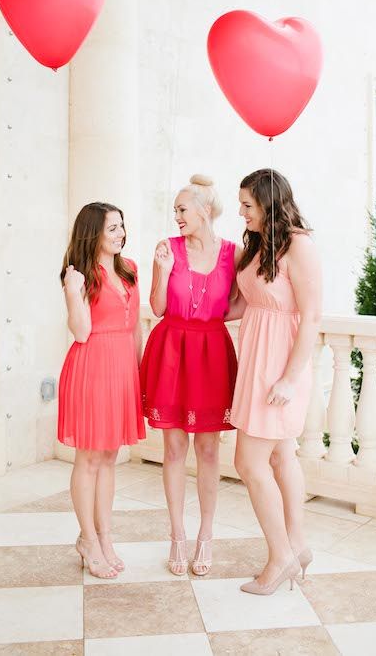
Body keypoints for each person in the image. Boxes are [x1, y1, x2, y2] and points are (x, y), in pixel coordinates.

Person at [140, 175, 239, 576]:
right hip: (171, 351)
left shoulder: (234, 253)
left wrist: (210, 318)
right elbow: (158, 306)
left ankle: (206, 535)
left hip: (211, 352)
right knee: (175, 450)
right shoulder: (167, 249)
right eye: (176, 210)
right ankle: (177, 535)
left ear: (204, 211)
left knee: (210, 451)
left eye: (182, 209)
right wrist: (162, 272)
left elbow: (238, 304)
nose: (177, 216)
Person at [229, 169, 322, 595]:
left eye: (248, 204)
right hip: (255, 357)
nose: (242, 211)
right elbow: (240, 304)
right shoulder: (257, 245)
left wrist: (289, 377)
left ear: (268, 203)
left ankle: (280, 555)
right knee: (282, 455)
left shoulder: (298, 245)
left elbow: (311, 318)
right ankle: (297, 545)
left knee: (249, 463)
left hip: (279, 363)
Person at [58, 202, 145, 579]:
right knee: (89, 459)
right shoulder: (79, 275)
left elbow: (136, 328)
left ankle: (105, 537)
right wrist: (73, 293)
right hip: (92, 368)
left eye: (122, 226)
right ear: (93, 231)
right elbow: (80, 332)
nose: (120, 234)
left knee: (109, 457)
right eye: (112, 228)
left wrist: (140, 375)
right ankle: (88, 539)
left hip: (122, 368)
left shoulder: (129, 270)